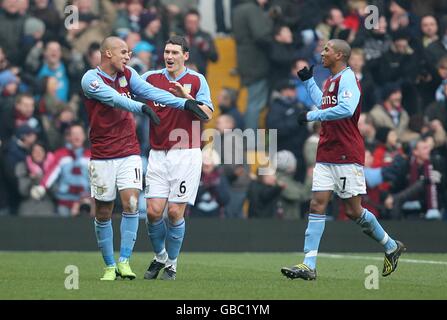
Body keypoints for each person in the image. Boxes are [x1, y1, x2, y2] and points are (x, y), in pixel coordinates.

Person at [80, 36, 208, 281]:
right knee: (107, 210)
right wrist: (141, 108)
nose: (128, 57)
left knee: (132, 205)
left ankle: (132, 262)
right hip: (102, 154)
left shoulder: (129, 74)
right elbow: (114, 99)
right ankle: (110, 266)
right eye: (124, 52)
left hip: (131, 151)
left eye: (129, 53)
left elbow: (150, 92)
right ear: (108, 53)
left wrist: (184, 104)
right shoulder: (90, 79)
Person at [281, 39, 406, 281]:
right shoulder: (330, 80)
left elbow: (346, 109)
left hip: (346, 153)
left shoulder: (348, 79)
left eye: (327, 49)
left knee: (353, 210)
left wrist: (311, 116)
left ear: (339, 55)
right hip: (326, 151)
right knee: (317, 204)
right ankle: (309, 265)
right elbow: (325, 103)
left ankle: (391, 245)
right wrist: (308, 83)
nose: (322, 52)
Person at [141, 35, 213, 280]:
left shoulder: (196, 79)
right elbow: (130, 90)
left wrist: (187, 98)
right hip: (158, 153)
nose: (169, 56)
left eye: (174, 52)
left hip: (186, 153)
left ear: (186, 56)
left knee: (174, 212)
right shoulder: (151, 78)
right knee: (152, 211)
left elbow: (207, 115)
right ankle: (160, 256)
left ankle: (171, 264)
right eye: (166, 52)